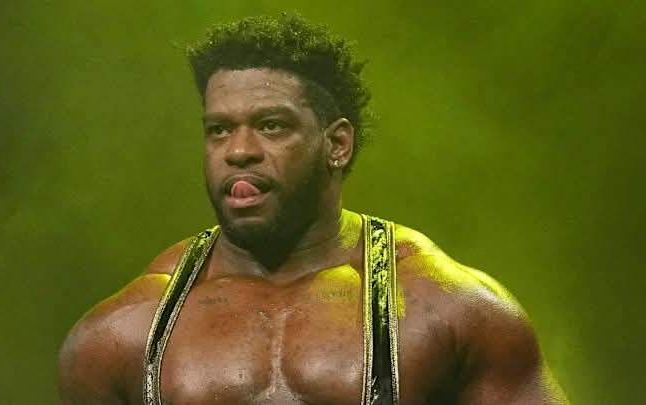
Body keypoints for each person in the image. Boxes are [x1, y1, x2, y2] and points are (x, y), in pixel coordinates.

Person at [58, 15, 569, 405]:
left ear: (337, 144)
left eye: (271, 126)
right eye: (219, 130)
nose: (239, 151)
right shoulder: (123, 332)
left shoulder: (448, 311)